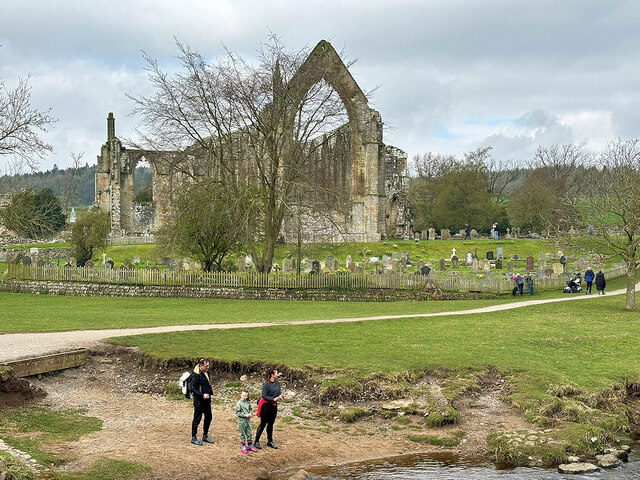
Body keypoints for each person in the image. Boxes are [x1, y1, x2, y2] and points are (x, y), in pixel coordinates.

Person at [254, 367, 283, 450]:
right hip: (266, 406)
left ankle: (270, 441)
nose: (278, 374)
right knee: (263, 423)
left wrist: (279, 397)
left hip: (273, 406)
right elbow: (264, 396)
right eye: (276, 373)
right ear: (272, 375)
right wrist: (273, 399)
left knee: (271, 424)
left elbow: (278, 392)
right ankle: (256, 441)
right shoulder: (266, 384)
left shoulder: (277, 383)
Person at [189, 358, 215, 446]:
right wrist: (202, 395)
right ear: (200, 366)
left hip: (207, 400)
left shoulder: (207, 373)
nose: (208, 367)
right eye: (206, 366)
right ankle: (193, 437)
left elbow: (208, 384)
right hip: (199, 401)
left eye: (208, 365)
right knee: (197, 418)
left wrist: (211, 394)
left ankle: (205, 435)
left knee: (209, 417)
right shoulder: (196, 375)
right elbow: (192, 388)